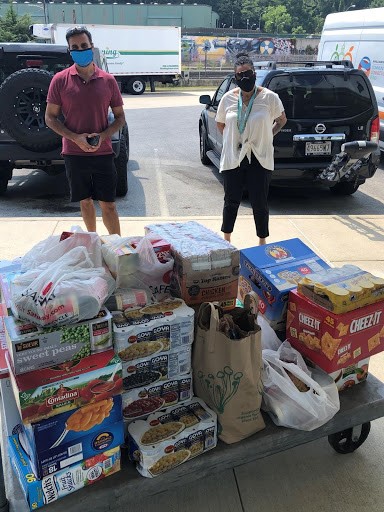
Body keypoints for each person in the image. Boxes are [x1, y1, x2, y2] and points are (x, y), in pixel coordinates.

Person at [45, 26, 126, 235]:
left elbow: (120, 118)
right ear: (69, 51)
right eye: (75, 47)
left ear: (92, 47)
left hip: (103, 152)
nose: (80, 50)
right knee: (86, 202)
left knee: (109, 204)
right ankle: (93, 242)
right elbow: (50, 117)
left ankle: (117, 247)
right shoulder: (60, 80)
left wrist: (104, 136)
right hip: (74, 153)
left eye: (84, 46)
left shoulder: (108, 81)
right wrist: (75, 138)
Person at [216, 52, 287, 245]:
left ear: (254, 73)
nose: (245, 77)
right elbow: (221, 124)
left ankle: (262, 241)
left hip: (259, 156)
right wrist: (233, 140)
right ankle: (227, 240)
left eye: (248, 73)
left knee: (260, 202)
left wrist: (267, 136)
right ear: (235, 77)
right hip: (235, 156)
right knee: (231, 201)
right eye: (240, 75)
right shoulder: (228, 99)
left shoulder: (270, 98)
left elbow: (282, 120)